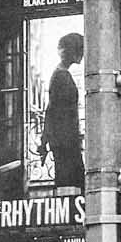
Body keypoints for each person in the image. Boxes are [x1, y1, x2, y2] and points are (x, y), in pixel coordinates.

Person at [40, 32, 84, 192]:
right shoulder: (61, 76)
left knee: (69, 183)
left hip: (64, 140)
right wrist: (45, 140)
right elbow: (52, 110)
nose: (83, 53)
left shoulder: (59, 73)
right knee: (71, 184)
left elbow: (50, 110)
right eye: (80, 49)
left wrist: (45, 140)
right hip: (66, 141)